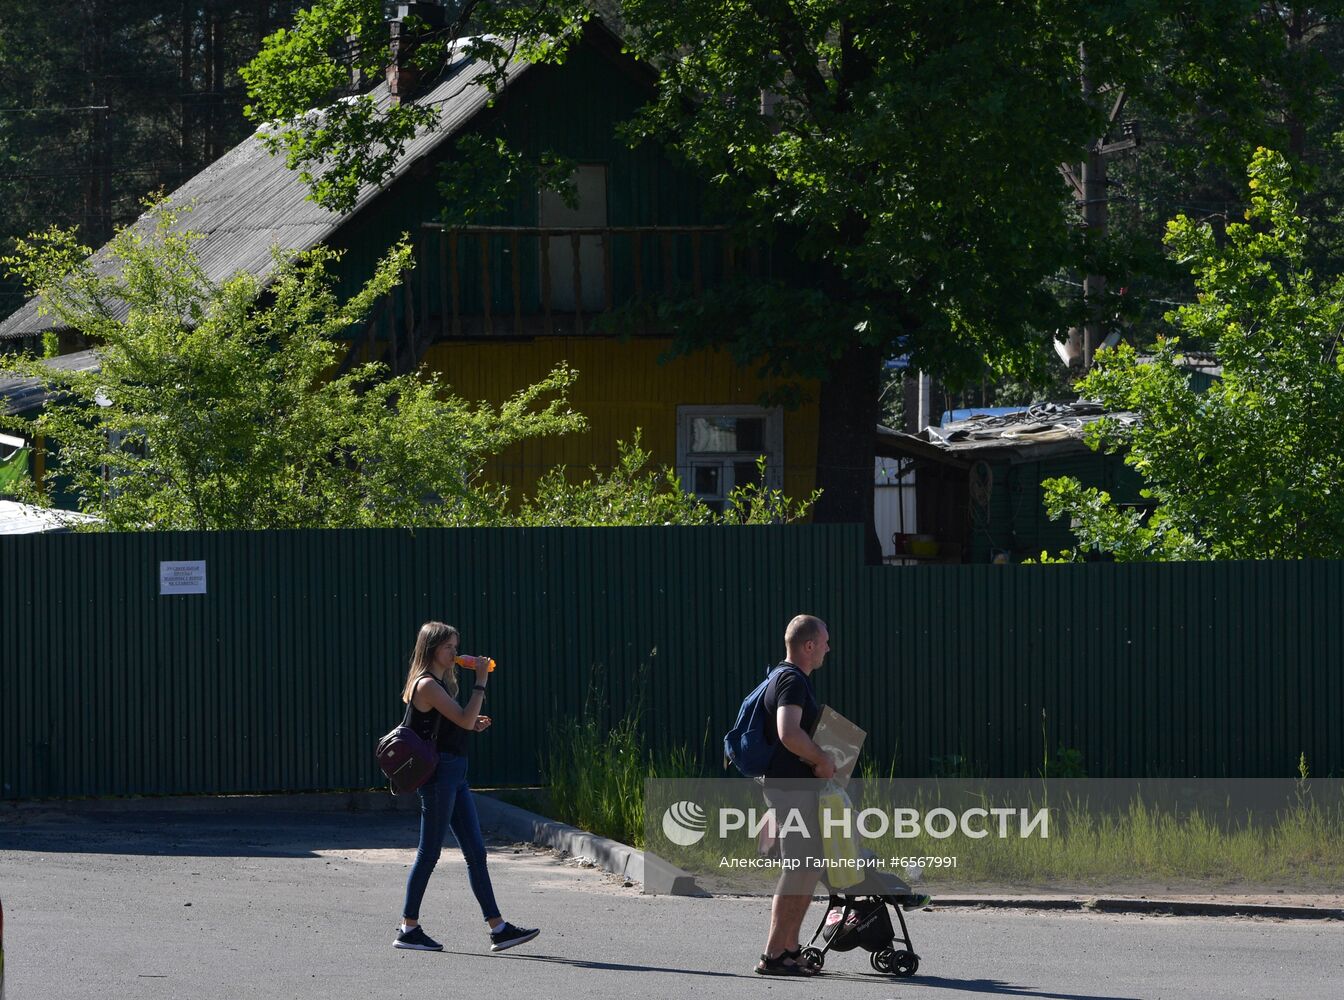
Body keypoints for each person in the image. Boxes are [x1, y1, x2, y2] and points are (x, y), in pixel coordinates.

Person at [393, 621, 540, 953]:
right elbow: (460, 717)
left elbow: (456, 721)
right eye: (449, 648)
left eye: (456, 647)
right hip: (439, 776)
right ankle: (407, 928)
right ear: (432, 649)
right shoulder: (427, 684)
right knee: (428, 853)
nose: (456, 653)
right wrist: (481, 682)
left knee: (476, 853)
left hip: (455, 774)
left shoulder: (441, 683)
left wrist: (472, 723)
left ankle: (498, 928)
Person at [755, 613, 834, 976]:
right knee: (798, 866)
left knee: (808, 866)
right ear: (808, 646)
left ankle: (788, 947)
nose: (828, 649)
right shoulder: (792, 681)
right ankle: (773, 954)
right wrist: (821, 761)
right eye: (825, 642)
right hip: (792, 789)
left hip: (791, 788)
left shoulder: (786, 678)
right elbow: (789, 732)